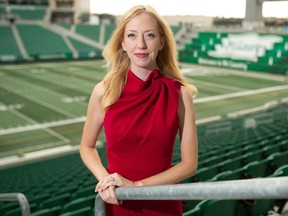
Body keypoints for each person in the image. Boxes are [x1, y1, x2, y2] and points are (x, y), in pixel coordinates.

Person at [80, 4, 198, 216]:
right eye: (132, 36)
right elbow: (87, 147)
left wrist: (136, 186)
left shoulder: (180, 94)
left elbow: (189, 165)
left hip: (162, 204)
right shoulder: (103, 91)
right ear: (123, 43)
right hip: (118, 202)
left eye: (150, 35)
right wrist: (104, 180)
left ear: (161, 42)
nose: (141, 45)